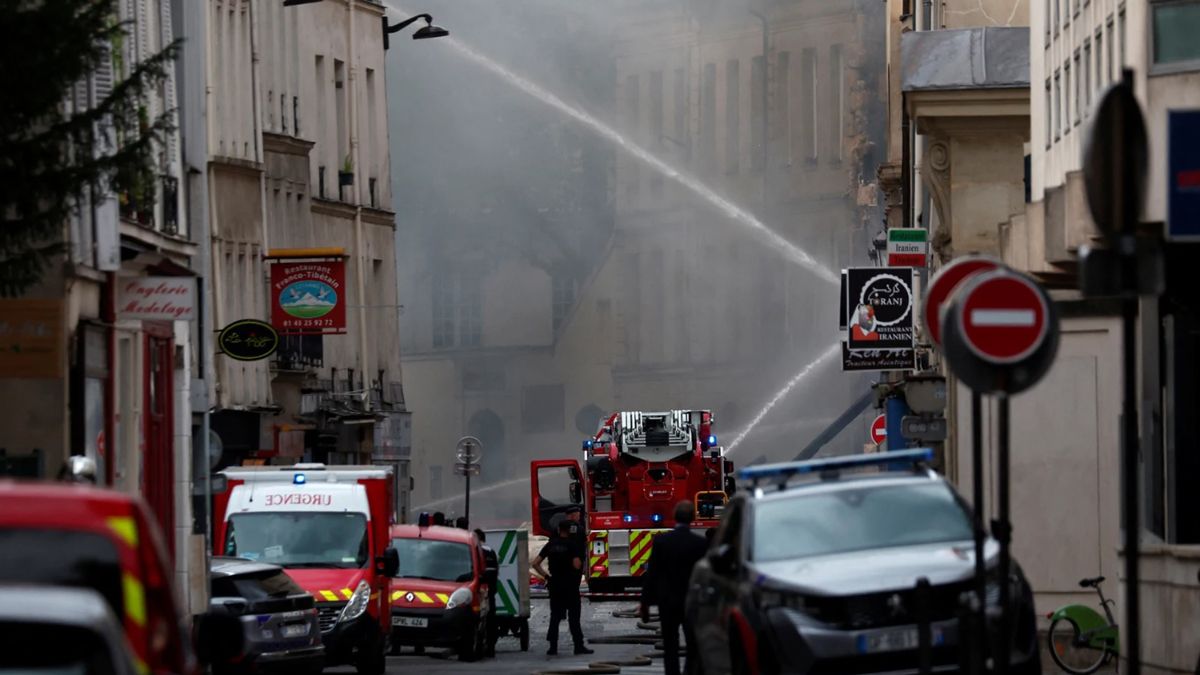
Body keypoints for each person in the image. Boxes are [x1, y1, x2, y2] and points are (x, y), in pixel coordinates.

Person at [640, 501, 708, 675]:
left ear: (674, 516)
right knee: (693, 644)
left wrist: (645, 603)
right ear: (693, 518)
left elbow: (652, 573)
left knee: (670, 645)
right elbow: (705, 576)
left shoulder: (662, 541)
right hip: (691, 602)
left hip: (667, 601)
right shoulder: (700, 544)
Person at [531, 520, 593, 656]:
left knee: (555, 616)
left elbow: (535, 563)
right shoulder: (572, 545)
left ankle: (553, 647)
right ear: (569, 531)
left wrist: (547, 577)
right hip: (570, 585)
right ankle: (578, 646)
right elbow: (577, 564)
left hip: (555, 584)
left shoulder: (550, 544)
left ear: (559, 530)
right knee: (574, 617)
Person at [474, 529, 499, 657]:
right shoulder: (491, 551)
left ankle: (478, 645)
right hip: (489, 592)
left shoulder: (476, 550)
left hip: (477, 592)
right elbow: (495, 572)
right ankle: (490, 647)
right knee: (491, 620)